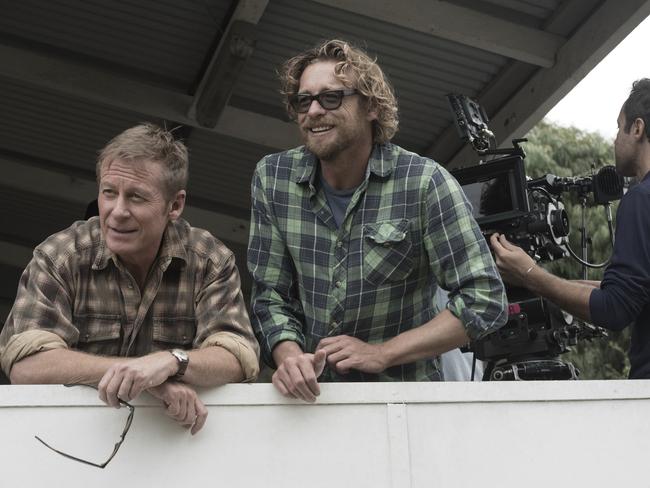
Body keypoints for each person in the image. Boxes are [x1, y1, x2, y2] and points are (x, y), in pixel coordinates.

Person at [247, 39, 507, 402]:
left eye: (331, 98)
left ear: (371, 106)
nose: (314, 110)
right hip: (311, 404)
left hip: (407, 401)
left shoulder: (424, 182)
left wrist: (382, 352)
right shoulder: (273, 179)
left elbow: (485, 301)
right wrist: (288, 357)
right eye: (303, 101)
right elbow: (270, 295)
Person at [0, 123, 259, 433]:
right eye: (109, 193)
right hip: (72, 443)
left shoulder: (209, 259)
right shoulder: (61, 254)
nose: (117, 211)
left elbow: (237, 356)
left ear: (174, 205)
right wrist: (143, 379)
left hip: (177, 447)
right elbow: (26, 366)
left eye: (136, 197)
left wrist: (172, 362)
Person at [491, 78, 650, 379]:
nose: (615, 139)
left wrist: (531, 276)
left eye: (619, 127)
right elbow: (635, 294)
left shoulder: (641, 200)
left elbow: (615, 309)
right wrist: (545, 281)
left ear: (638, 128)